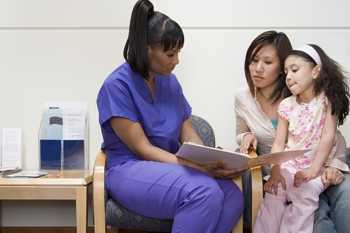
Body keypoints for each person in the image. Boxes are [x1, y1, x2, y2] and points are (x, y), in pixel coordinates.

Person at [96, 1, 243, 232]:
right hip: (129, 169)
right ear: (147, 50)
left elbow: (188, 132)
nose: (177, 61)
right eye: (170, 53)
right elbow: (143, 149)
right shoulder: (116, 86)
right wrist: (198, 169)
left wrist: (209, 159)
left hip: (171, 167)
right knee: (204, 191)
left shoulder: (170, 82)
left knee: (232, 196)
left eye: (178, 53)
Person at [234, 31, 349, 233]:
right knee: (274, 197)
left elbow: (330, 138)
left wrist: (316, 169)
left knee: (307, 202)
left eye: (268, 62)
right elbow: (279, 143)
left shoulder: (324, 100)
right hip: (288, 165)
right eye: (254, 60)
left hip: (318, 166)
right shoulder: (286, 105)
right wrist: (276, 171)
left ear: (315, 72)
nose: (258, 68)